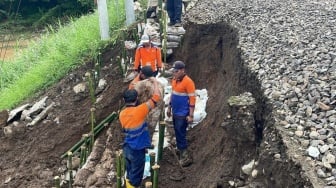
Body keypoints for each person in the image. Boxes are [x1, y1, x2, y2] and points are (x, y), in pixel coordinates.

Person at [119, 78, 161, 188]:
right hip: (137, 150)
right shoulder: (140, 110)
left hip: (127, 147)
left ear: (125, 101)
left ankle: (128, 185)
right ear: (137, 98)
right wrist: (155, 83)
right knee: (136, 178)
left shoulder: (122, 114)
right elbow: (156, 97)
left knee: (130, 172)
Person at [167, 61, 195, 167]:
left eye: (176, 71)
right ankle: (180, 149)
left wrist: (190, 115)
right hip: (175, 112)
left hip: (183, 113)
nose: (174, 73)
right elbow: (172, 94)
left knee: (181, 133)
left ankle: (185, 156)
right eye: (173, 71)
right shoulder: (174, 80)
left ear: (183, 70)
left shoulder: (188, 82)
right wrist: (169, 107)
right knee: (177, 131)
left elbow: (192, 100)